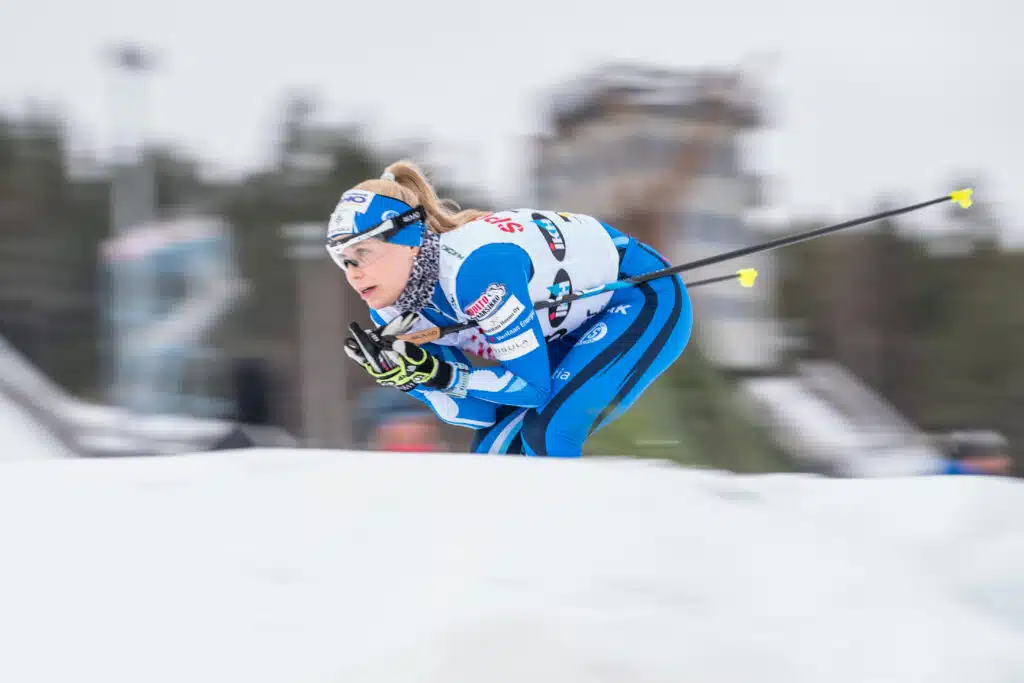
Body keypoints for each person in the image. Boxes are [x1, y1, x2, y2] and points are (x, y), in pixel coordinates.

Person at [328, 160, 692, 457]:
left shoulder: (475, 272)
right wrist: (412, 379)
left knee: (549, 433)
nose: (353, 273)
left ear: (409, 242)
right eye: (343, 259)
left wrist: (440, 374)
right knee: (494, 454)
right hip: (567, 325)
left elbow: (531, 389)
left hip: (638, 296)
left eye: (364, 252)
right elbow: (479, 414)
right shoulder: (392, 312)